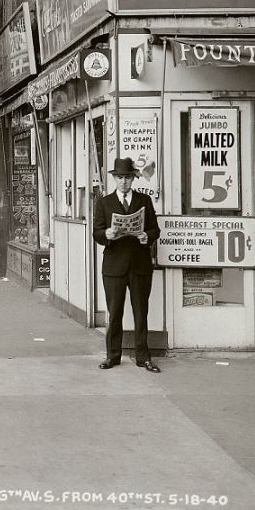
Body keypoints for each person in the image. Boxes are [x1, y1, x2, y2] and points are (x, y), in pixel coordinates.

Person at [92, 157, 162, 373]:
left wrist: (145, 236)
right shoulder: (104, 202)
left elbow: (155, 230)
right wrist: (107, 234)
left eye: (127, 178)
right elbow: (96, 232)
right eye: (120, 178)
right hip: (114, 266)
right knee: (115, 313)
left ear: (133, 179)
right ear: (114, 178)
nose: (123, 182)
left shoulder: (144, 201)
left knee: (141, 312)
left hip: (139, 265)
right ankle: (112, 356)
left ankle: (144, 357)